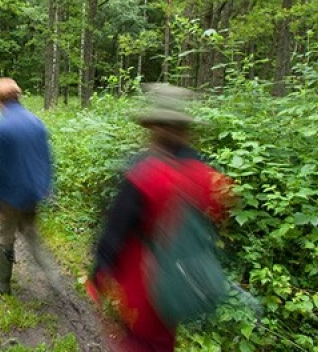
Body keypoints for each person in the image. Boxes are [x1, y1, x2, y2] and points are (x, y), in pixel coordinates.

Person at [87, 84, 233, 351]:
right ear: (186, 130)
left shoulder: (142, 173)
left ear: (154, 128)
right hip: (180, 280)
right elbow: (218, 217)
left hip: (141, 282)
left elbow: (115, 232)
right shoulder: (207, 175)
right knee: (164, 341)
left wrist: (99, 275)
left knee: (137, 341)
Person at [0, 78, 61, 295]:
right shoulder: (36, 122)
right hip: (34, 191)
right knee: (30, 232)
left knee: (4, 234)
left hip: (10, 195)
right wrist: (46, 187)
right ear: (18, 96)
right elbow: (46, 158)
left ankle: (2, 280)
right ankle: (52, 274)